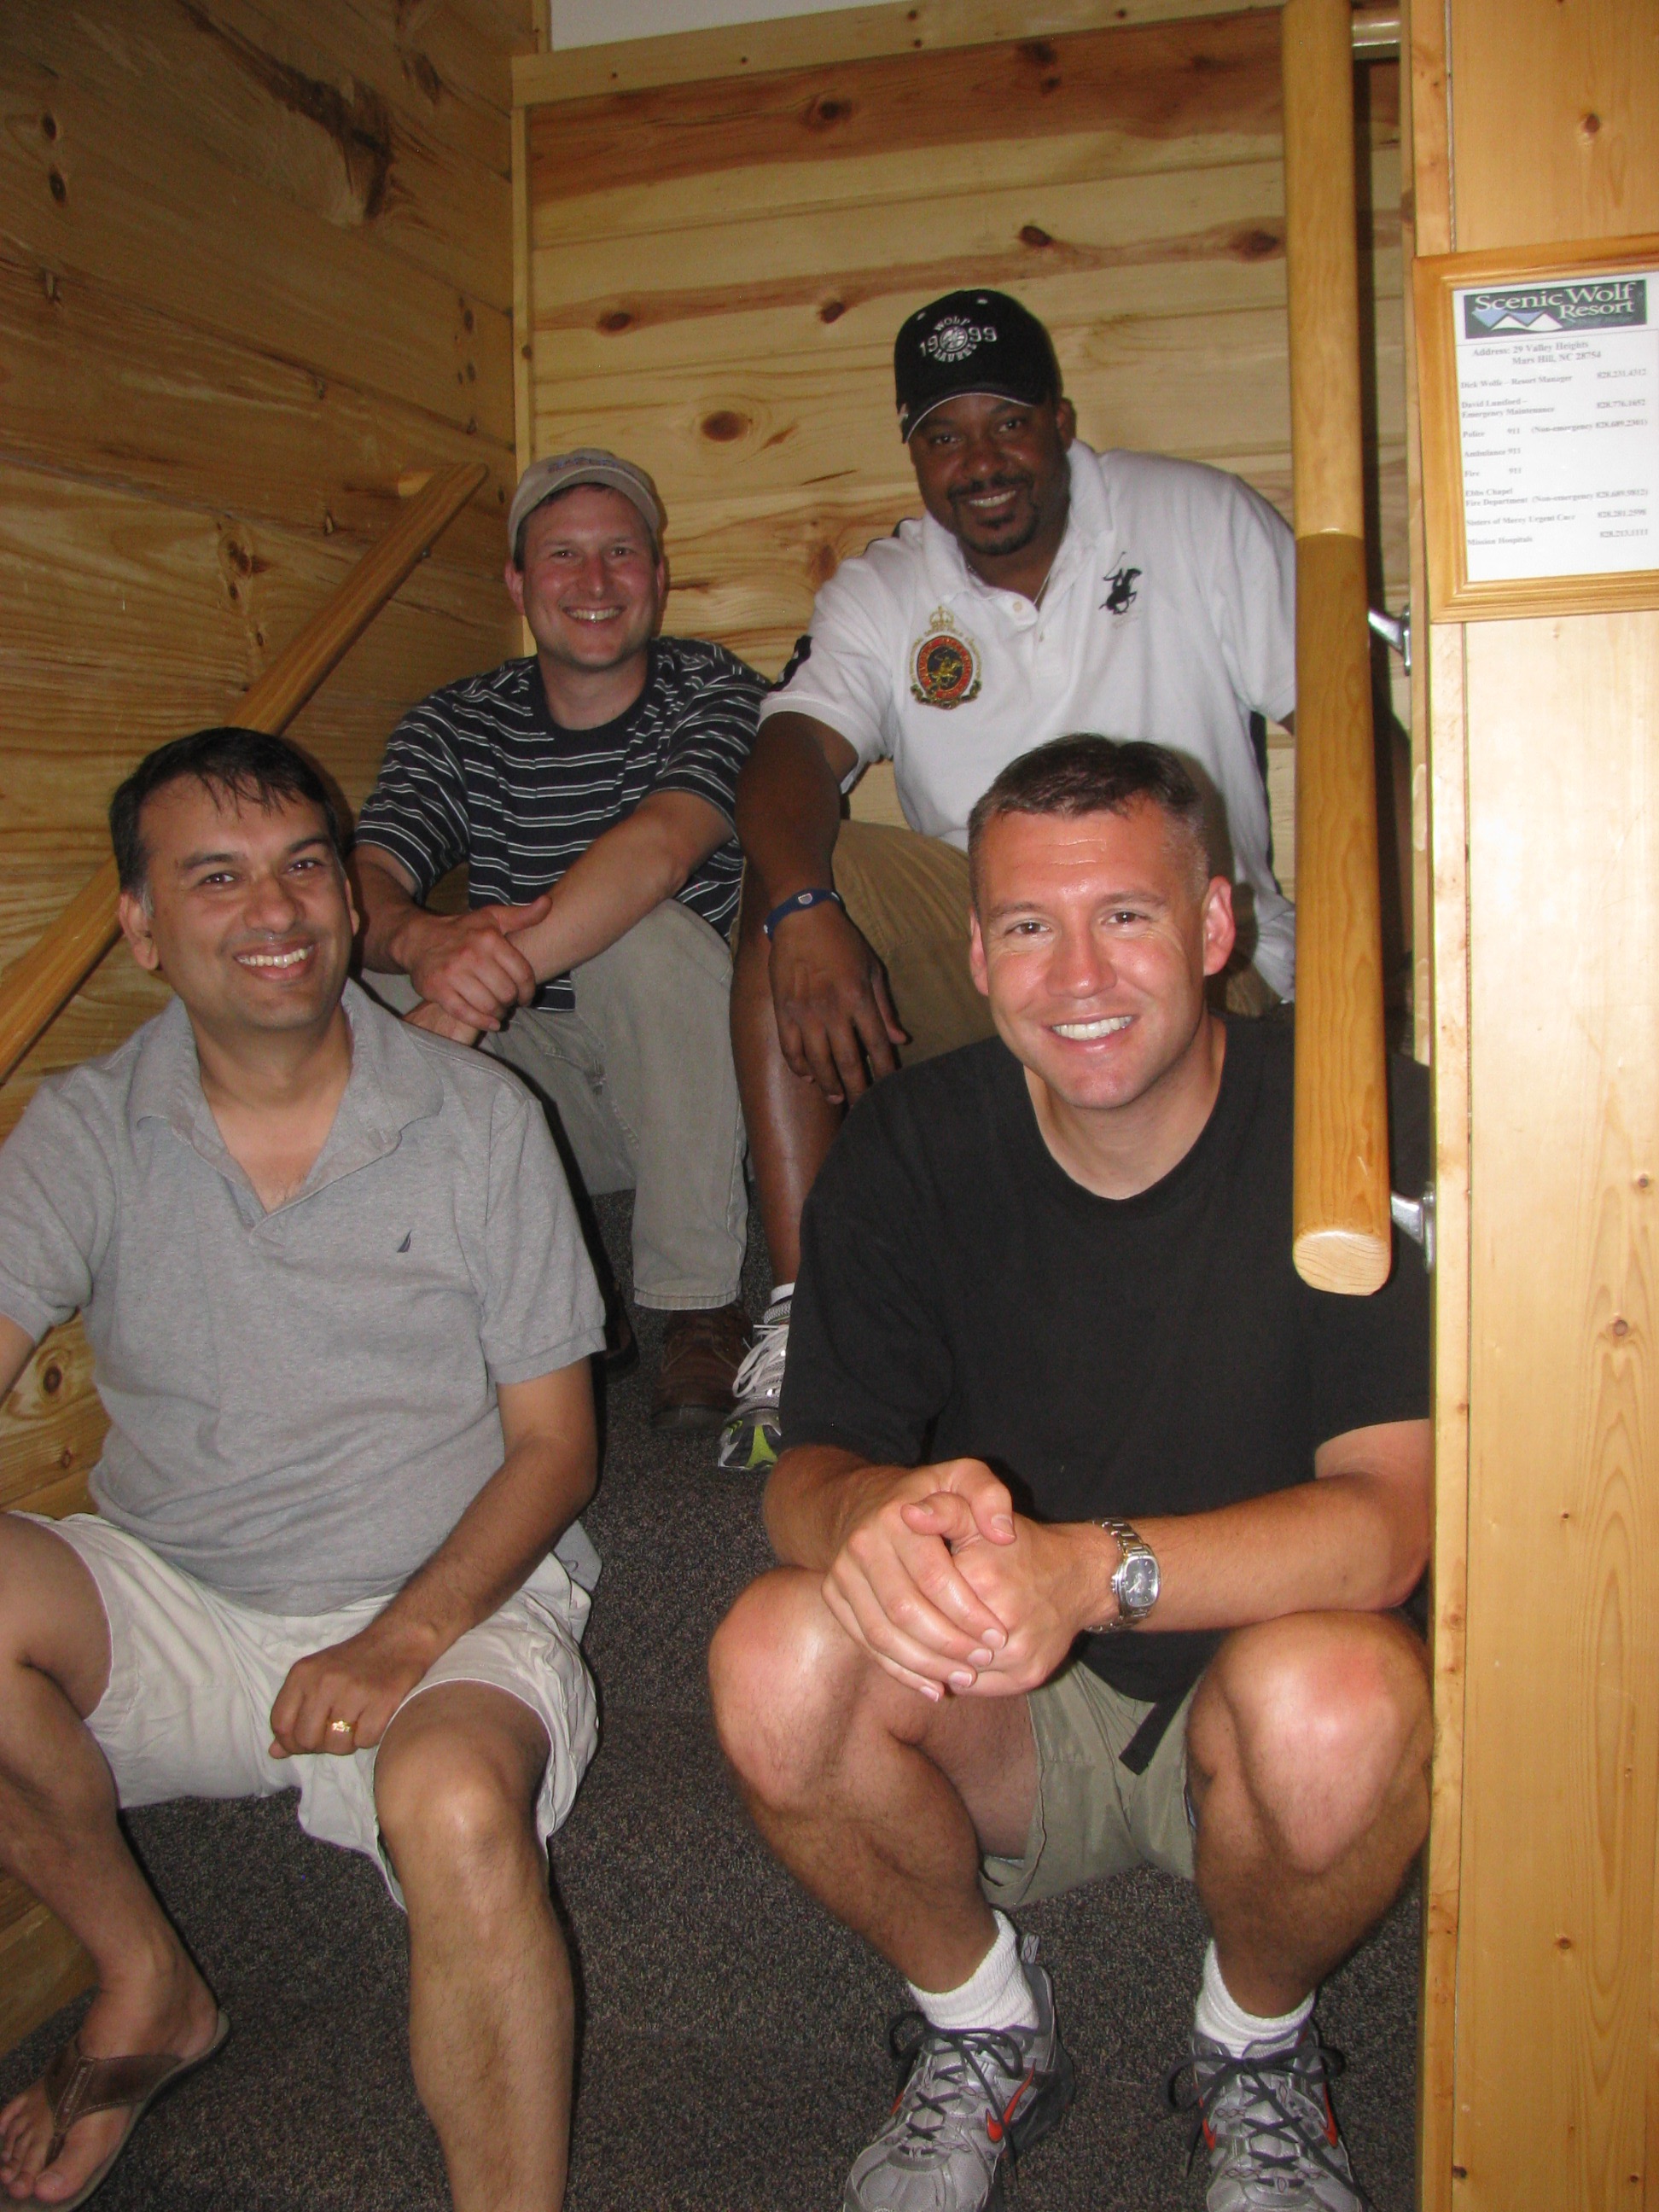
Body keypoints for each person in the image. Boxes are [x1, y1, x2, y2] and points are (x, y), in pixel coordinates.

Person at [709, 736, 1430, 2212]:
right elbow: (807, 1472)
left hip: (1265, 1673)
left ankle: (1255, 2047)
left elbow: (1384, 1525)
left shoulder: (1360, 1119)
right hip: (1011, 1707)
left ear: (1215, 925)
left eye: (1127, 915)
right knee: (771, 1657)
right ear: (977, 954)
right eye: (1030, 926)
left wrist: (1084, 1569)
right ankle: (982, 2019)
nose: (1078, 975)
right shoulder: (909, 1145)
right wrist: (866, 1511)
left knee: (1342, 1699)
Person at [0, 729, 607, 2212]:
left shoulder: (480, 1122)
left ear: (346, 896)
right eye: (215, 877)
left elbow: (557, 1449)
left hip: (447, 1602)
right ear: (141, 926)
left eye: (303, 866)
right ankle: (148, 1982)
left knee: (457, 1808)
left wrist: (400, 1636)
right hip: (175, 1595)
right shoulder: (84, 1127)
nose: (273, 911)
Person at [721, 288, 1298, 1471]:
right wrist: (803, 908)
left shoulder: (1198, 520)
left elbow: (1347, 719)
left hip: (1193, 950)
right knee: (785, 894)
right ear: (914, 455)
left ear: (1060, 422)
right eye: (943, 435)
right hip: (1002, 953)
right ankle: (803, 1316)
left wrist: (1369, 948)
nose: (979, 462)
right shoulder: (888, 587)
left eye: (1007, 424)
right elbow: (791, 755)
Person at [356, 448, 764, 1432]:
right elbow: (360, 884)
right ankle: (553, 1285)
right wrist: (419, 944)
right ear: (517, 583)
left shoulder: (716, 691)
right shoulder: (458, 721)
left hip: (691, 1083)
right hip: (537, 1075)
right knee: (332, 987)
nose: (594, 581)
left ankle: (700, 1305)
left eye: (620, 552)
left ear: (658, 575)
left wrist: (473, 985)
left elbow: (661, 848)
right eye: (562, 555)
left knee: (640, 935)